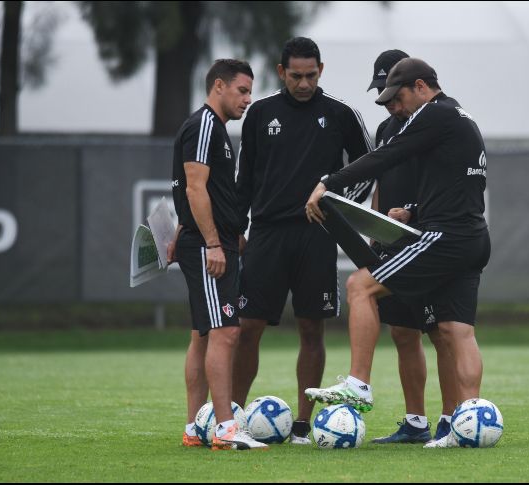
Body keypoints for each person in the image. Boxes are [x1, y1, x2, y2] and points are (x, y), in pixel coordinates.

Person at [303, 58, 491, 449]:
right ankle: (468, 423)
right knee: (458, 331)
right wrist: (414, 212)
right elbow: (463, 189)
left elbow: (385, 157)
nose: (396, 107)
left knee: (360, 287)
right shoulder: (462, 118)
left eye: (399, 97)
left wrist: (328, 182)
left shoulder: (434, 115)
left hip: (444, 237)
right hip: (472, 237)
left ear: (421, 87)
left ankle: (358, 385)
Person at [232, 37, 373, 445]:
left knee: (312, 327)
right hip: (267, 234)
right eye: (296, 76)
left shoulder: (341, 114)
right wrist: (237, 228)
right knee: (248, 327)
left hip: (317, 236)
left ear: (321, 71)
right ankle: (236, 418)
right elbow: (245, 179)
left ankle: (302, 426)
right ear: (281, 73)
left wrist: (340, 208)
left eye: (311, 75)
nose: (305, 83)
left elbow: (367, 165)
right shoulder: (260, 114)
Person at [171, 58, 267, 450]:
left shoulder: (210, 127)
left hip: (212, 240)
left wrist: (195, 231)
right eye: (242, 90)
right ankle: (226, 428)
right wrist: (213, 242)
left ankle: (196, 428)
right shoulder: (206, 125)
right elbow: (195, 188)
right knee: (227, 332)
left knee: (202, 335)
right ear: (219, 87)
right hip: (211, 247)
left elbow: (196, 190)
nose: (248, 98)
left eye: (249, 90)